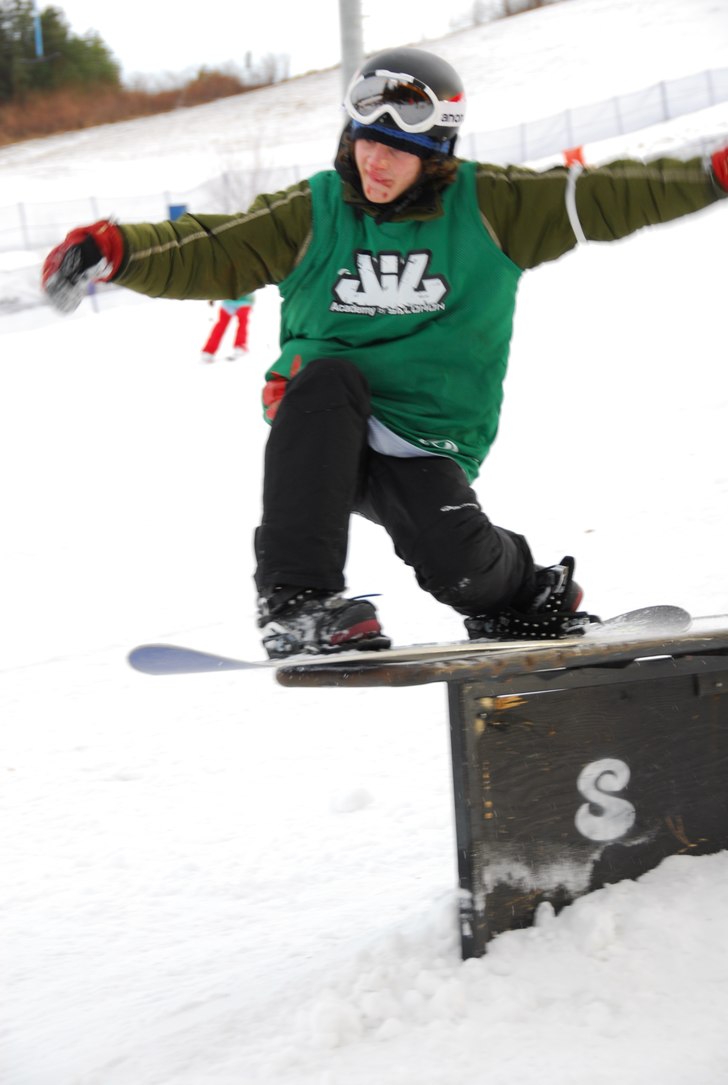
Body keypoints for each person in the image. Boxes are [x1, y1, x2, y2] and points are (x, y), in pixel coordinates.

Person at [41, 46, 728, 658]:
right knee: (328, 377)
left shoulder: (496, 207)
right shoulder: (315, 210)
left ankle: (524, 592)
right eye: (365, 141)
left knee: (454, 558)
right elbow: (213, 247)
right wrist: (113, 249)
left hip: (429, 433)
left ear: (436, 155)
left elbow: (610, 194)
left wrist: (714, 176)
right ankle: (297, 602)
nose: (375, 160)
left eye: (396, 150)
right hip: (323, 420)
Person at [201, 293, 255, 363]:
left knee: (223, 325)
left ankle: (208, 351)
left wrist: (212, 297)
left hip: (233, 302)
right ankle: (240, 346)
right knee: (241, 323)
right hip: (241, 301)